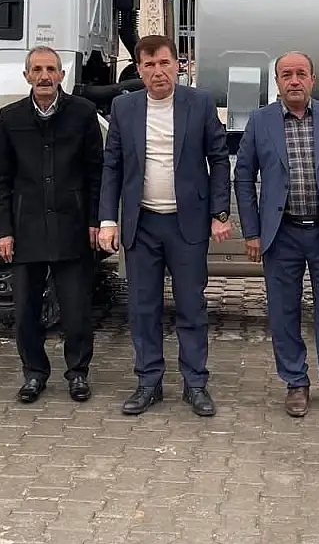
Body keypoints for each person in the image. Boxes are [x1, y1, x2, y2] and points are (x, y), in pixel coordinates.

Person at [97, 35, 232, 417]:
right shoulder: (124, 108)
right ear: (138, 70)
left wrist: (219, 212)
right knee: (143, 308)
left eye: (164, 63)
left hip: (186, 224)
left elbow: (219, 158)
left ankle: (195, 384)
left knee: (191, 306)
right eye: (149, 65)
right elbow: (113, 166)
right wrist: (108, 219)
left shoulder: (199, 103)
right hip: (142, 225)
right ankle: (148, 382)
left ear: (178, 65)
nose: (158, 72)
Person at [234, 52, 319, 418]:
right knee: (283, 313)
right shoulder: (261, 122)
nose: (294, 80)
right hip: (282, 235)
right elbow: (243, 177)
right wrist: (252, 231)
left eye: (301, 74)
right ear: (277, 82)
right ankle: (296, 383)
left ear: (313, 79)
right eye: (286, 75)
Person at [0, 46, 104, 404]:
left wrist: (94, 221)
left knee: (75, 309)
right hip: (26, 228)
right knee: (25, 309)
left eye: (51, 69)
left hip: (72, 225)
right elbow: (2, 179)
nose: (44, 76)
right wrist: (3, 229)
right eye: (37, 69)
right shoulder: (9, 117)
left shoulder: (83, 114)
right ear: (26, 75)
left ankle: (78, 373)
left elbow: (95, 173)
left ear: (61, 75)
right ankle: (34, 373)